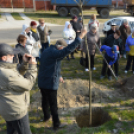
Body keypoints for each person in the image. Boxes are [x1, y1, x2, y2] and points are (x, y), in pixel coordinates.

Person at [38, 29, 87, 130]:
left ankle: (46, 117)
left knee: (45, 100)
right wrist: (80, 37)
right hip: (50, 83)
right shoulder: (56, 54)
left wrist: (59, 75)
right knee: (53, 104)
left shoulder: (46, 50)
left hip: (42, 81)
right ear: (60, 47)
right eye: (62, 49)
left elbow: (49, 66)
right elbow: (68, 50)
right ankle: (56, 124)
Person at [0, 43, 37, 134]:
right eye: (11, 55)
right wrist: (32, 66)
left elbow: (15, 75)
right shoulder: (7, 74)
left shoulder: (4, 69)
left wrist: (24, 63)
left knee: (12, 131)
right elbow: (28, 85)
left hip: (8, 109)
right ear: (4, 58)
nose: (13, 56)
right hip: (16, 112)